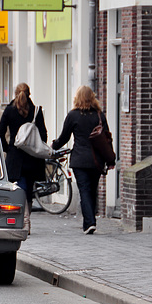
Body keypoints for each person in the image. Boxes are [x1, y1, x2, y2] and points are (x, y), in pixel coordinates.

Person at [52, 85, 115, 235]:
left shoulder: (73, 115)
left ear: (77, 98)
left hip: (80, 160)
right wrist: (111, 159)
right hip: (96, 160)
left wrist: (54, 145)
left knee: (84, 190)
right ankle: (89, 221)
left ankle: (90, 222)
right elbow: (107, 138)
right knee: (92, 190)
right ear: (92, 97)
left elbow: (64, 137)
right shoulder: (99, 115)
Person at [0, 83, 47, 234]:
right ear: (29, 93)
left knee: (20, 187)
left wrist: (9, 149)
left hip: (16, 156)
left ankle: (25, 221)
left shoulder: (9, 110)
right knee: (29, 188)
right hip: (32, 157)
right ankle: (27, 219)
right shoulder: (36, 110)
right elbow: (43, 134)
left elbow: (0, 133)